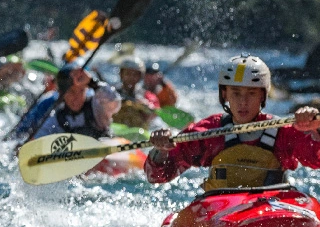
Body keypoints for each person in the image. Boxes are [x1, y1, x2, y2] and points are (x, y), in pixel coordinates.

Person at [146, 55, 320, 190]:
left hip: (270, 209)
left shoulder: (284, 131)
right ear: (225, 95)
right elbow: (158, 177)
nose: (243, 102)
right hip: (222, 212)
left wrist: (316, 130)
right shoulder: (208, 131)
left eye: (251, 94)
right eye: (236, 93)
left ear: (262, 96)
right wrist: (160, 151)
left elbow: (316, 160)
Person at [30, 62, 121, 140]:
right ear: (62, 94)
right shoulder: (56, 118)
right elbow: (39, 140)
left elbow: (115, 102)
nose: (76, 97)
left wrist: (92, 83)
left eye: (81, 91)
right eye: (71, 92)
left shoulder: (97, 106)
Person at [112, 56, 159, 130]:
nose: (131, 77)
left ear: (140, 76)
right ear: (121, 74)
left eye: (135, 74)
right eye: (128, 74)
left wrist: (145, 106)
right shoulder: (112, 93)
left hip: (137, 134)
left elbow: (154, 113)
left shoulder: (147, 96)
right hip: (116, 132)